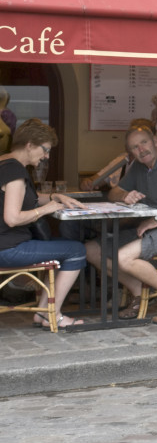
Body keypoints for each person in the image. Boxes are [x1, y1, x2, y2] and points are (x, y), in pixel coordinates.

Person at [88, 125, 157, 324]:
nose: (141, 150)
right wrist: (125, 195)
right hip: (147, 228)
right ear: (130, 152)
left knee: (123, 257)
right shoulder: (139, 167)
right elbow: (113, 193)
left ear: (155, 141)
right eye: (134, 147)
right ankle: (139, 292)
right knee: (91, 250)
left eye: (144, 143)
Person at [0, 120, 89, 328]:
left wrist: (53, 196)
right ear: (30, 145)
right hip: (9, 248)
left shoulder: (5, 164)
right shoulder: (16, 173)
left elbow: (24, 197)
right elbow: (12, 218)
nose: (47, 156)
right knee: (76, 250)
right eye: (45, 149)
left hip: (4, 245)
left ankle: (43, 313)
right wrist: (46, 210)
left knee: (62, 248)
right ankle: (53, 315)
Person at [79, 118, 157, 192]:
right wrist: (87, 183)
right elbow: (94, 180)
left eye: (143, 140)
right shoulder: (122, 159)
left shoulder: (156, 163)